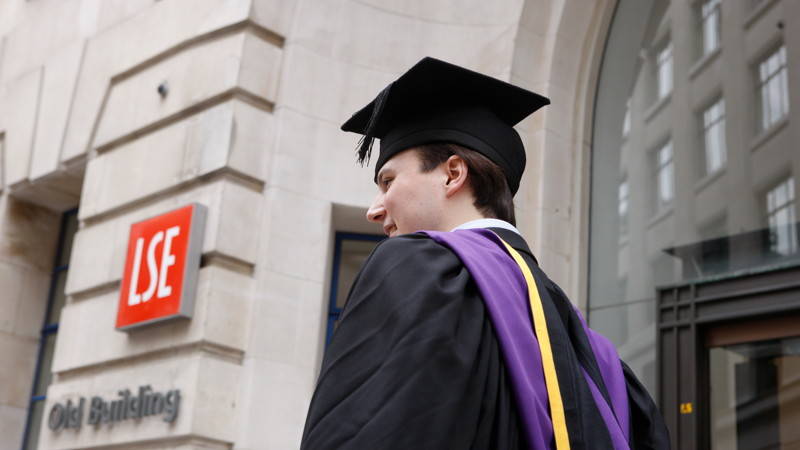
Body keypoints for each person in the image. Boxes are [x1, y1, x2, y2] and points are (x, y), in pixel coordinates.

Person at [300, 57, 669, 450]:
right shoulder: (599, 358)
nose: (374, 210)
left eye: (387, 181)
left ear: (452, 174)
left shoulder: (417, 270)